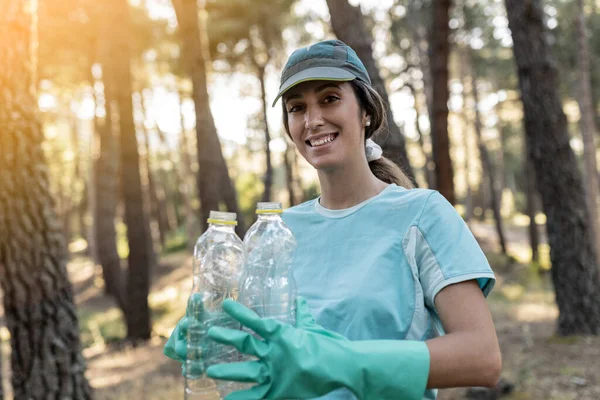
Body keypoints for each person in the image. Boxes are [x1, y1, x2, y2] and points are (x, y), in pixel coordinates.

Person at [165, 39, 502, 400]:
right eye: (297, 108)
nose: (312, 120)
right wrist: (216, 337)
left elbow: (482, 357)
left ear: (366, 111)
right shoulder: (276, 232)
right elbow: (268, 350)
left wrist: (345, 362)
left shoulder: (423, 214)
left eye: (329, 99)